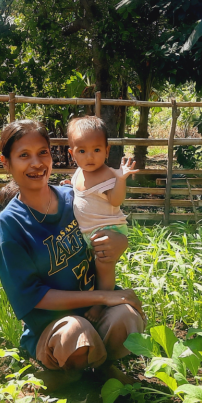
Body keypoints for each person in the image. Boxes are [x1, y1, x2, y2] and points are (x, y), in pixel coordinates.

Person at [0, 119, 147, 391]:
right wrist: (103, 296)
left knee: (126, 315)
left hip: (98, 314)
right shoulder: (10, 225)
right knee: (75, 332)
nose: (36, 163)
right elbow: (33, 296)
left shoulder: (73, 198)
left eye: (43, 152)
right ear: (6, 163)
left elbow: (106, 237)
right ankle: (71, 372)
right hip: (55, 327)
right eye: (23, 156)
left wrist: (119, 242)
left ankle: (101, 367)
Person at [66, 116, 138, 296]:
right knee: (88, 267)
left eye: (96, 150)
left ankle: (104, 299)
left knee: (104, 265)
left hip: (108, 229)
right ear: (72, 153)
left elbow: (115, 200)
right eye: (82, 151)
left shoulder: (108, 175)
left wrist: (121, 180)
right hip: (88, 231)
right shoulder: (79, 172)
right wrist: (69, 185)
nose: (89, 157)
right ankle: (91, 296)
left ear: (106, 151)